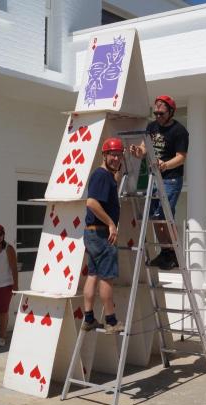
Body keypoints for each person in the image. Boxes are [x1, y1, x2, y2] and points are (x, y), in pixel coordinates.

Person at [129, 95, 189, 270]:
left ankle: (173, 254)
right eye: (156, 113)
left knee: (164, 216)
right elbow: (143, 149)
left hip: (170, 178)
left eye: (161, 113)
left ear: (170, 112)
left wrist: (165, 164)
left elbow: (181, 158)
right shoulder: (151, 127)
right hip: (153, 178)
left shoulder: (179, 131)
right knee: (156, 218)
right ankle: (166, 253)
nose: (158, 116)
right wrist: (137, 151)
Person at [81, 137, 125, 334]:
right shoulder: (100, 175)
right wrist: (111, 224)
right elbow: (91, 203)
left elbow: (108, 188)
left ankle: (89, 318)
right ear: (104, 154)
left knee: (93, 275)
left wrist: (119, 173)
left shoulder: (106, 176)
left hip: (92, 234)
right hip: (101, 234)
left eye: (119, 155)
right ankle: (111, 321)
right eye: (112, 154)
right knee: (107, 278)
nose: (116, 158)